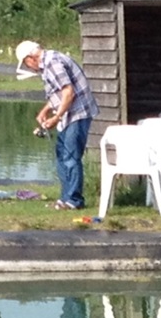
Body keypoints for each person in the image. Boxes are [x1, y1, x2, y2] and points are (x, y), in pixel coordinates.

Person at [15, 40, 100, 210]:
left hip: (78, 113)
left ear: (31, 58)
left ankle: (74, 200)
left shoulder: (52, 63)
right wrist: (45, 110)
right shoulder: (49, 62)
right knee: (61, 155)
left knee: (70, 157)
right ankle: (65, 198)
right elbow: (59, 92)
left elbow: (69, 93)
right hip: (70, 113)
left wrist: (56, 117)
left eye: (26, 63)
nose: (30, 67)